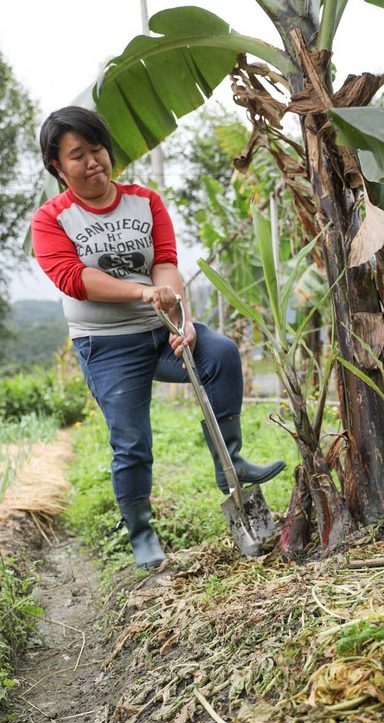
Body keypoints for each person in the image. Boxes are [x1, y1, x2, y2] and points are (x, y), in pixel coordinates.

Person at [31, 106, 286, 569]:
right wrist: (140, 291)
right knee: (131, 442)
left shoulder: (144, 201)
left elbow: (165, 260)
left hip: (160, 330)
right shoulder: (52, 219)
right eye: (77, 155)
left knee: (221, 354)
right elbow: (72, 278)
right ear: (57, 166)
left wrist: (181, 315)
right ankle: (143, 534)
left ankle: (228, 460)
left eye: (97, 149)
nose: (93, 162)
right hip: (106, 346)